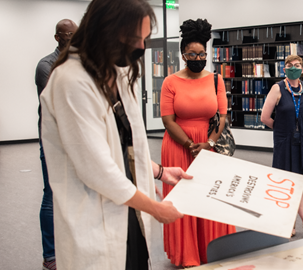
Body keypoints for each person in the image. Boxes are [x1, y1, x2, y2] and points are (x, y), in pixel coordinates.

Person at [40, 0, 191, 269]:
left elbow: (124, 143)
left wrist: (158, 171)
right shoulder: (70, 82)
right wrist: (155, 208)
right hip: (96, 218)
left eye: (145, 39)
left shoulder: (116, 73)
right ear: (105, 30)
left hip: (128, 213)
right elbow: (97, 170)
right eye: (135, 39)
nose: (141, 48)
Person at [160, 18, 235, 267]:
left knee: (211, 197)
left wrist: (209, 144)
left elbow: (222, 116)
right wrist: (190, 145)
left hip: (208, 145)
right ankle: (187, 254)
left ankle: (212, 250)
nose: (197, 57)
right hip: (178, 145)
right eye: (192, 54)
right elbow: (168, 120)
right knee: (184, 199)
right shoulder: (170, 82)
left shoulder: (216, 79)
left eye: (202, 53)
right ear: (183, 55)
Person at [261, 55, 303, 238]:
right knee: (291, 184)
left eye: (297, 65)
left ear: (302, 70)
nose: (293, 68)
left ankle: (290, 223)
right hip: (285, 143)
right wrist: (282, 129)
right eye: (289, 65)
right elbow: (264, 117)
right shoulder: (277, 88)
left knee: (297, 184)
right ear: (284, 69)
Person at [34, 18, 77, 270]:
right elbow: (60, 103)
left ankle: (69, 248)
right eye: (67, 34)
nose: (72, 38)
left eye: (75, 34)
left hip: (77, 140)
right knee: (51, 196)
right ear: (57, 37)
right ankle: (50, 256)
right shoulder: (46, 66)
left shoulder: (79, 63)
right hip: (53, 141)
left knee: (76, 195)